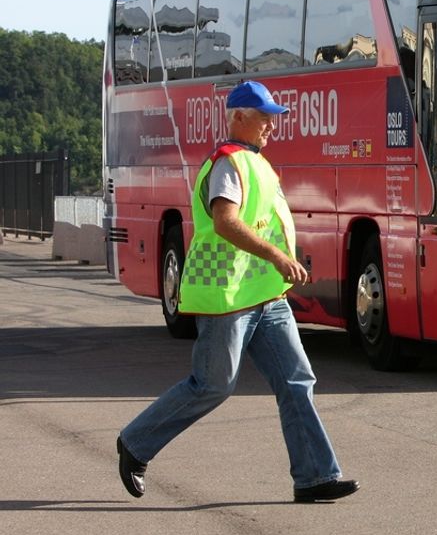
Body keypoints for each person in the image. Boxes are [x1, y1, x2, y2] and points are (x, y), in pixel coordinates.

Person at [116, 81, 358, 504]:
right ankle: (136, 444)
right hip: (227, 294)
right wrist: (277, 257)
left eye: (273, 118)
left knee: (296, 380)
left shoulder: (258, 163)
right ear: (239, 117)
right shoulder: (228, 163)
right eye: (264, 117)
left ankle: (316, 477)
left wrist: (276, 267)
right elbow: (226, 221)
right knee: (213, 385)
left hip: (266, 295)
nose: (271, 126)